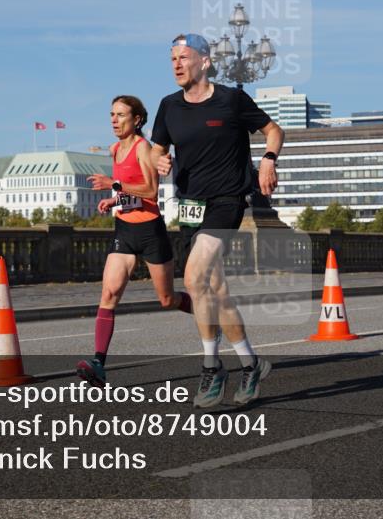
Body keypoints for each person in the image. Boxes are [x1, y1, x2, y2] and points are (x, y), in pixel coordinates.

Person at [151, 33, 284, 407]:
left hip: (226, 200)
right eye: (172, 58)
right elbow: (156, 150)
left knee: (193, 278)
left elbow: (273, 130)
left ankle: (211, 368)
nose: (176, 64)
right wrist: (158, 161)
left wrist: (269, 159)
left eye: (183, 57)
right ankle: (251, 363)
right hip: (190, 205)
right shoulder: (168, 106)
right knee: (216, 290)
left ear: (205, 61)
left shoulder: (231, 100)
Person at [77, 96, 195, 387]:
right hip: (124, 231)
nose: (114, 120)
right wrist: (113, 199)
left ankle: (209, 314)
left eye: (121, 115)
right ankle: (98, 363)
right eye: (112, 115)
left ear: (137, 120)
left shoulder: (145, 149)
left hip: (151, 232)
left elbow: (151, 190)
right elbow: (128, 191)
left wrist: (114, 185)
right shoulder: (115, 149)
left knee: (167, 299)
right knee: (109, 293)